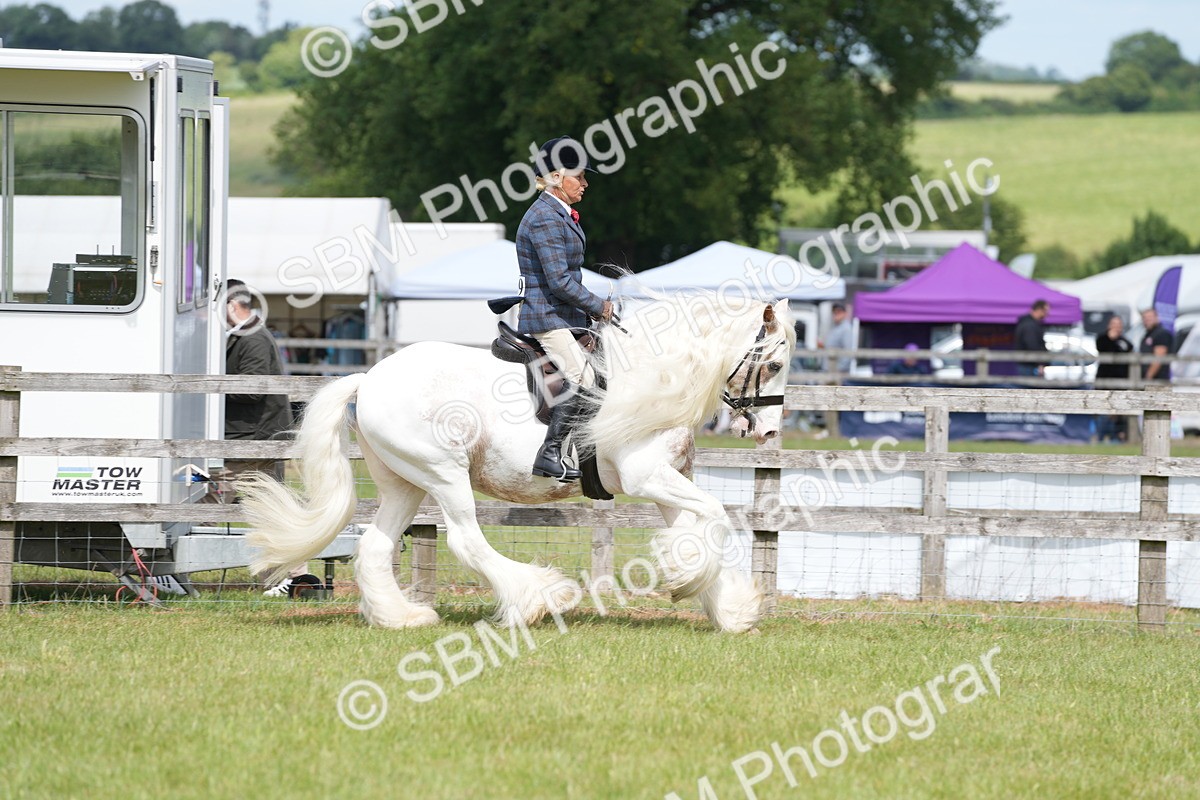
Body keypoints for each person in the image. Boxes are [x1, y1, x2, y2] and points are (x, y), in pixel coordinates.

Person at [516, 136, 613, 481]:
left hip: (563, 315)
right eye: (580, 177)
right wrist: (599, 306)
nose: (585, 184)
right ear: (556, 177)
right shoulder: (545, 217)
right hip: (546, 316)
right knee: (582, 378)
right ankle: (550, 452)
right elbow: (559, 281)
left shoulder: (558, 213)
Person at [222, 279, 298, 595]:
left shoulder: (252, 338)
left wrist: (211, 385)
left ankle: (290, 577)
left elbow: (252, 389)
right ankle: (289, 577)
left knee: (214, 498)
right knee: (268, 508)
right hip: (251, 435)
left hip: (255, 437)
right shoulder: (246, 334)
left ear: (230, 305)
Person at [1095, 314, 1133, 441]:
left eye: (1119, 325)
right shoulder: (1102, 339)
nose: (1117, 327)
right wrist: (1111, 338)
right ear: (1109, 326)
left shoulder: (1125, 341)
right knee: (1103, 411)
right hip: (1105, 381)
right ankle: (1100, 439)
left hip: (1121, 383)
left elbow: (1131, 351)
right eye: (1114, 324)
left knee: (1118, 413)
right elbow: (1101, 348)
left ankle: (1116, 438)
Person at [1015, 299, 1050, 377]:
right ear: (1039, 310)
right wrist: (1040, 363)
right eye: (1045, 311)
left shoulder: (1029, 323)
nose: (1047, 314)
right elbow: (1032, 345)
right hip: (1029, 365)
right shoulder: (1030, 325)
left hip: (1029, 364)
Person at [820, 303, 854, 374]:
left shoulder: (846, 329)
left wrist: (839, 369)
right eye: (834, 312)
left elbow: (848, 352)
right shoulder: (835, 327)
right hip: (829, 369)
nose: (836, 314)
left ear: (845, 313)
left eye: (839, 312)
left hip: (837, 372)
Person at [1140, 307, 1172, 381]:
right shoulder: (1148, 334)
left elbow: (1158, 358)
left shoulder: (1161, 334)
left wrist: (1148, 377)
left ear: (1156, 317)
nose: (1147, 320)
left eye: (1150, 317)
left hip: (1158, 380)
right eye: (1145, 318)